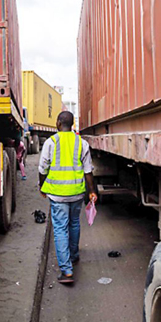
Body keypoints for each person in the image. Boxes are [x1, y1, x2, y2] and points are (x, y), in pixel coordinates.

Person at [38, 111, 97, 284]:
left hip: (57, 194)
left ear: (58, 123)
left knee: (60, 229)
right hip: (77, 192)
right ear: (71, 125)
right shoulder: (81, 143)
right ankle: (74, 255)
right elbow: (88, 171)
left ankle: (67, 271)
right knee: (74, 223)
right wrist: (91, 191)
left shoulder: (51, 142)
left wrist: (41, 186)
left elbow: (42, 168)